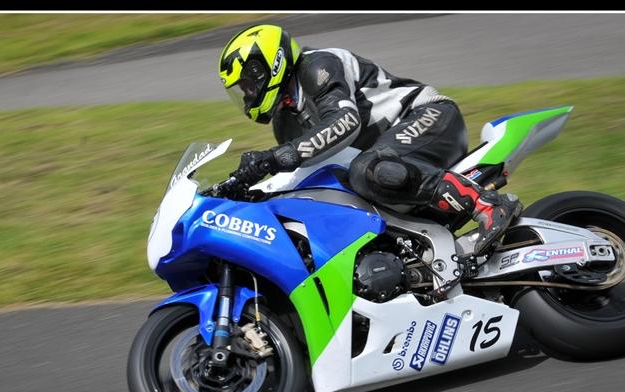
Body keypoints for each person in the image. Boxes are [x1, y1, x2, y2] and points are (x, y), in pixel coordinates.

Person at [218, 24, 522, 256]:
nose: (246, 95)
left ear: (268, 66)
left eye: (246, 84)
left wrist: (272, 159)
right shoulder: (286, 121)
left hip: (429, 116)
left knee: (366, 170)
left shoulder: (317, 67)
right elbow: (300, 174)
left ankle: (486, 205)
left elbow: (344, 123)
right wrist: (248, 193)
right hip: (389, 154)